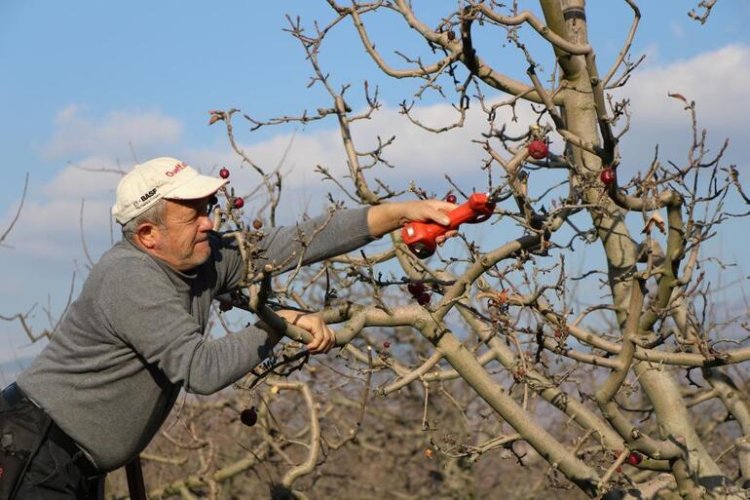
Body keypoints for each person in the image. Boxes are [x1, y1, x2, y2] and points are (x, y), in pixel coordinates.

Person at [0, 157, 455, 499]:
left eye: (209, 207)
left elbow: (299, 241)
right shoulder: (131, 278)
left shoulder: (203, 259)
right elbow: (201, 370)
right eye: (194, 215)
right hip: (32, 450)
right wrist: (278, 324)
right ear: (146, 235)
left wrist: (401, 214)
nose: (210, 222)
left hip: (73, 465)